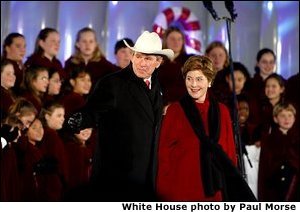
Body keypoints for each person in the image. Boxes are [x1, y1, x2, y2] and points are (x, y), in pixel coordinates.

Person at [65, 31, 174, 201]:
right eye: (138, 56)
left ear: (158, 62)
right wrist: (80, 119)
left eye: (148, 59)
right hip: (116, 179)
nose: (142, 63)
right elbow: (94, 110)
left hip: (146, 177)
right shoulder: (113, 83)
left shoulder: (158, 87)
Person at [156, 55, 255, 201]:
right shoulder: (175, 110)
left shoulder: (222, 111)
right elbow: (164, 154)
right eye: (189, 78)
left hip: (214, 190)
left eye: (199, 79)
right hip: (180, 189)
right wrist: (163, 192)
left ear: (209, 81)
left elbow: (228, 152)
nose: (193, 84)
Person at [258, 103, 299, 201]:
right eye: (282, 115)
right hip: (275, 191)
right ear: (275, 119)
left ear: (294, 118)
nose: (287, 119)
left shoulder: (297, 139)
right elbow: (264, 171)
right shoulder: (268, 141)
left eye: (290, 115)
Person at [158, 26, 194, 109]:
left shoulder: (190, 60)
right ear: (165, 41)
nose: (176, 42)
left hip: (185, 105)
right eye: (172, 39)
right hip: (162, 106)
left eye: (179, 39)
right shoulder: (158, 60)